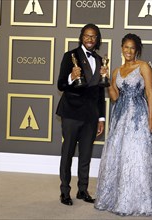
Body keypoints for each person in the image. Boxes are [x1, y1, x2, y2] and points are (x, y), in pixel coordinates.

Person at [94, 33, 152, 216]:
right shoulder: (116, 70)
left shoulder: (144, 67)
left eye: (132, 48)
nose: (129, 51)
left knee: (138, 155)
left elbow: (150, 93)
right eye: (126, 47)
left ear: (137, 50)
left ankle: (141, 200)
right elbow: (114, 97)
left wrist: (151, 120)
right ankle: (120, 197)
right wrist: (107, 79)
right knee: (120, 155)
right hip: (120, 117)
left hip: (138, 117)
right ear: (121, 48)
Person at [56, 23, 106, 206]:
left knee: (86, 154)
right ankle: (65, 192)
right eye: (87, 36)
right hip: (71, 112)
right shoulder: (70, 57)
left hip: (91, 116)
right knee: (67, 152)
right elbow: (60, 84)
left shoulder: (100, 60)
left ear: (97, 39)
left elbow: (101, 93)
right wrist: (71, 76)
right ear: (81, 37)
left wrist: (101, 118)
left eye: (93, 36)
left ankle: (82, 190)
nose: (90, 39)